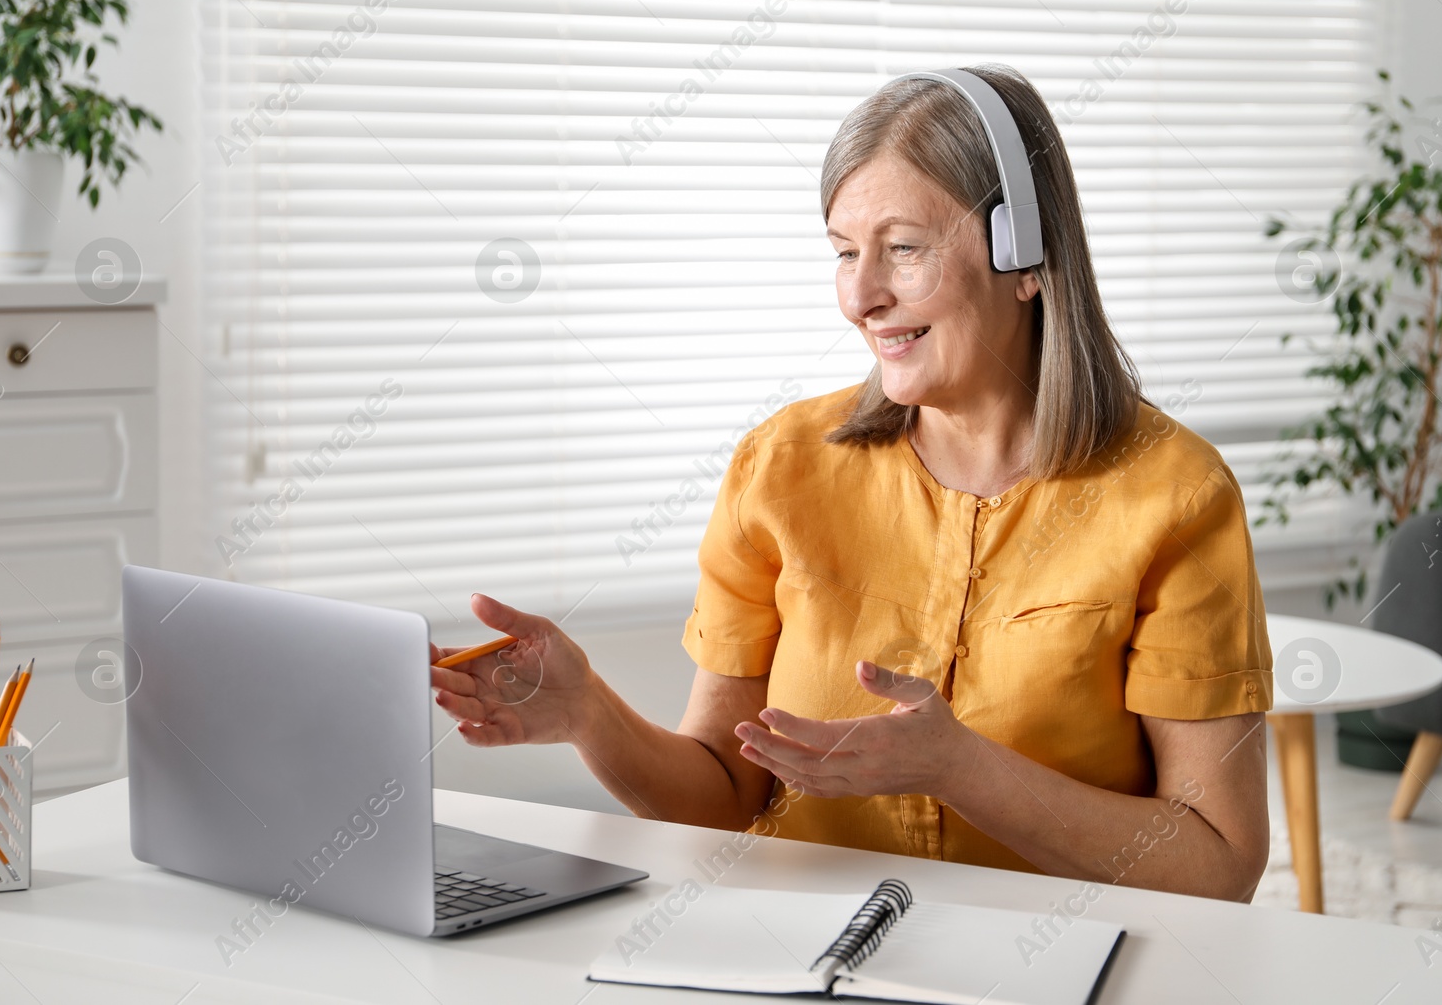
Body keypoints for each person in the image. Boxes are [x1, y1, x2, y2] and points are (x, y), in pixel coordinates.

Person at [431, 64, 1273, 902]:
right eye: (844, 253)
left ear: (1026, 254)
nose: (860, 296)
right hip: (800, 955)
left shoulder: (1175, 496)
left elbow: (1216, 865)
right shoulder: (782, 465)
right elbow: (725, 797)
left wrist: (964, 770)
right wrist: (589, 712)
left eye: (903, 249)